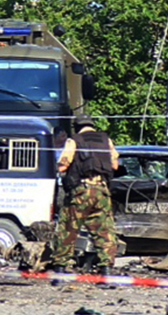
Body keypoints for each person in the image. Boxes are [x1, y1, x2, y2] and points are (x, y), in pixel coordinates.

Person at [51, 115, 119, 281]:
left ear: (76, 126)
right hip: (102, 191)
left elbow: (63, 165)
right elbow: (115, 165)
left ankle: (60, 270)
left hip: (81, 191)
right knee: (105, 232)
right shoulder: (105, 140)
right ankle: (106, 272)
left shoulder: (74, 140)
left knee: (68, 229)